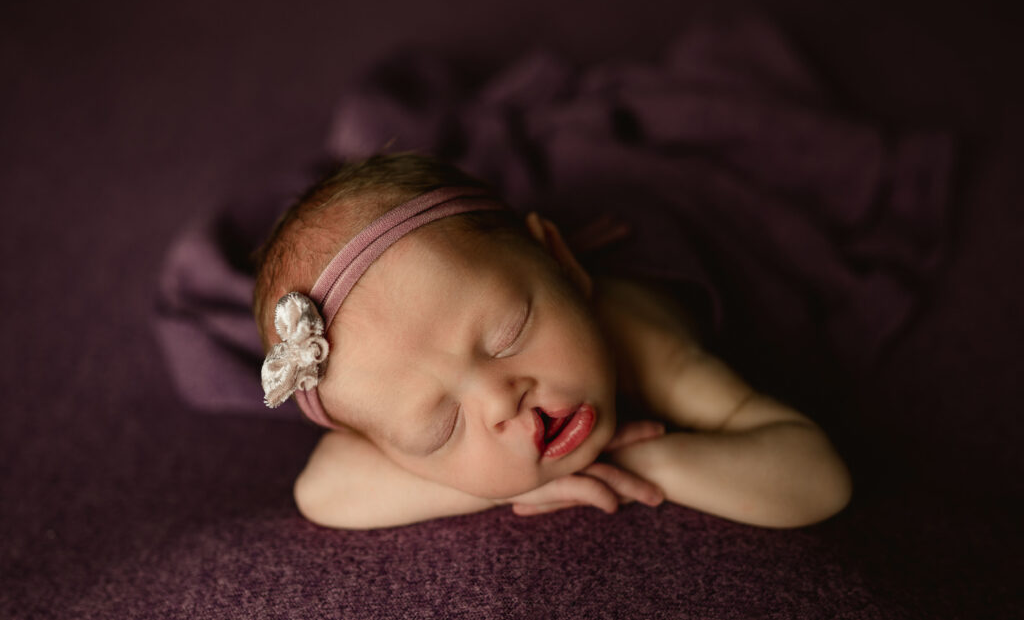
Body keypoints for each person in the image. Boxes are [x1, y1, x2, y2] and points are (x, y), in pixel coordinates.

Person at [253, 152, 852, 530]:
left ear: (561, 261)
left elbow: (817, 477)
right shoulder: (389, 400)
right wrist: (491, 487)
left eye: (508, 334)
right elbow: (321, 490)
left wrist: (642, 460)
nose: (499, 400)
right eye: (440, 428)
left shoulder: (641, 343)